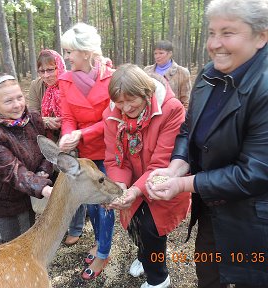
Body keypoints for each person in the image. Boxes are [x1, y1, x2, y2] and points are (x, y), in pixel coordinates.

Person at [146, 0, 268, 287]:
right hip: (213, 209)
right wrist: (176, 167)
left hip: (255, 220)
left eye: (227, 33)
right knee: (209, 275)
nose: (215, 44)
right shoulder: (209, 76)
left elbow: (257, 173)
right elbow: (189, 130)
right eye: (211, 33)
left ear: (261, 36)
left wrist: (184, 185)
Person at [103, 64, 191, 288]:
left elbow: (162, 161)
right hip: (132, 179)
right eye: (119, 102)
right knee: (133, 222)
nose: (125, 107)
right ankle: (144, 257)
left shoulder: (170, 109)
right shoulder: (113, 114)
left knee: (151, 228)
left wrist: (135, 190)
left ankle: (159, 278)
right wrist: (121, 187)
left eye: (130, 100)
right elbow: (114, 158)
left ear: (146, 92)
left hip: (162, 179)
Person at [58, 22, 115, 280]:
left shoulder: (111, 78)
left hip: (109, 150)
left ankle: (103, 251)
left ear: (86, 52)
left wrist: (83, 133)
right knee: (90, 202)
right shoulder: (65, 80)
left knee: (106, 203)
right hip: (84, 152)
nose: (66, 57)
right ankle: (99, 241)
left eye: (69, 51)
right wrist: (69, 134)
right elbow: (67, 115)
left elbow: (111, 120)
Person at [0, 74, 53, 249]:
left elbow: (47, 151)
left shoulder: (33, 119)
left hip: (26, 195)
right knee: (8, 249)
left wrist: (43, 171)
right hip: (1, 203)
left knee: (28, 240)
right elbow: (12, 171)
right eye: (8, 101)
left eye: (19, 97)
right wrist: (44, 187)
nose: (17, 105)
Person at [27, 49, 86, 246]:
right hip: (47, 139)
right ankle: (56, 222)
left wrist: (66, 125)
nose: (46, 75)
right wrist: (45, 120)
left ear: (59, 66)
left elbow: (80, 112)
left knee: (70, 179)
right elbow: (31, 115)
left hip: (71, 139)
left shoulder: (70, 82)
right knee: (50, 183)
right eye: (41, 71)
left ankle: (76, 226)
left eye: (50, 70)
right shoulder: (37, 86)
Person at [144, 40, 191, 110]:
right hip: (151, 114)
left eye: (161, 53)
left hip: (173, 115)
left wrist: (180, 117)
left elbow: (186, 101)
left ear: (170, 54)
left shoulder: (182, 72)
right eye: (155, 53)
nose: (157, 56)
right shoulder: (147, 71)